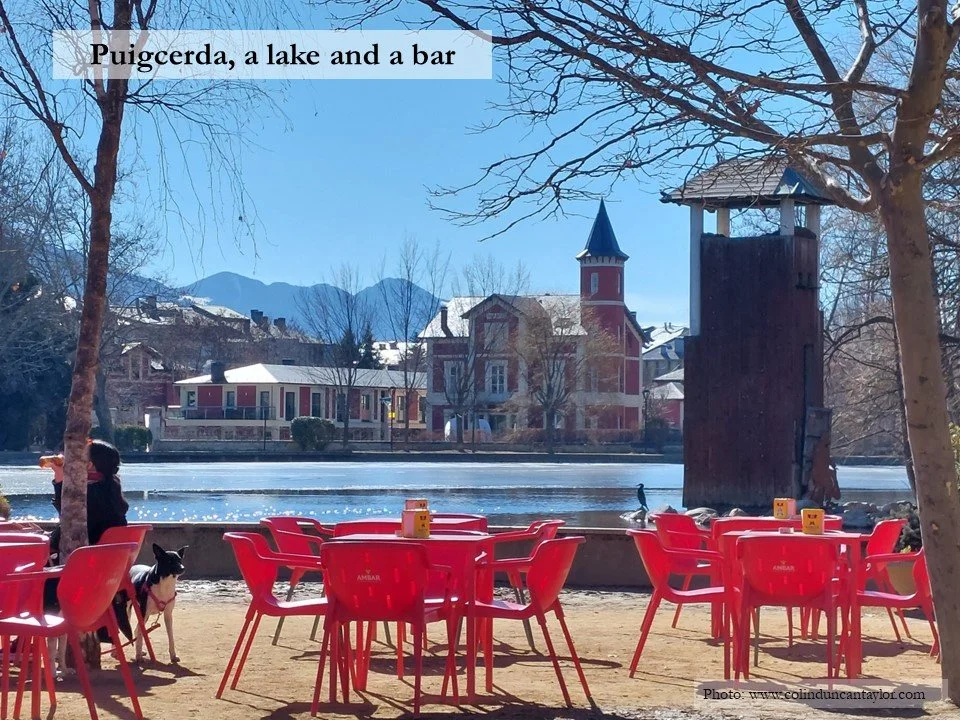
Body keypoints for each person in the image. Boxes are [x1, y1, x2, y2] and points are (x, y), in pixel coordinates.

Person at [46, 439, 129, 564]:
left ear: (89, 465)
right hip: (100, 567)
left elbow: (67, 515)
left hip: (75, 566)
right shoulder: (109, 490)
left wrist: (59, 475)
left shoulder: (91, 493)